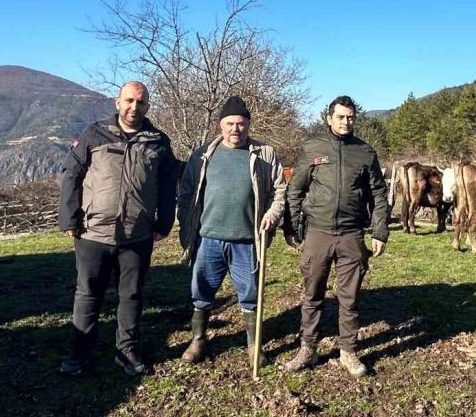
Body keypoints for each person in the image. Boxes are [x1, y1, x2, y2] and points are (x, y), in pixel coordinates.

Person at [57, 81, 179, 377]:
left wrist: (164, 223)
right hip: (93, 233)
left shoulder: (158, 142)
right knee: (88, 295)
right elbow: (71, 174)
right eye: (129, 101)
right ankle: (79, 354)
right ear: (117, 102)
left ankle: (126, 352)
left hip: (137, 235)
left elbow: (166, 186)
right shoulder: (94, 133)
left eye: (140, 102)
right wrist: (69, 219)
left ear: (148, 106)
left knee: (132, 296)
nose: (134, 107)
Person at [282, 95, 390, 377]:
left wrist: (380, 230)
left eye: (350, 117)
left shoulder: (365, 152)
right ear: (329, 118)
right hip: (318, 232)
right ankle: (308, 348)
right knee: (312, 294)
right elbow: (295, 190)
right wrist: (292, 226)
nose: (346, 121)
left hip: (352, 234)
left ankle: (349, 350)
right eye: (340, 116)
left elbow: (379, 193)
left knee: (349, 296)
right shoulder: (312, 148)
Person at [177, 96, 287, 365]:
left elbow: (279, 191)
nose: (235, 129)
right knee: (201, 291)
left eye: (240, 124)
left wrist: (272, 215)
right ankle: (198, 340)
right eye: (230, 124)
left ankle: (253, 344)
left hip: (247, 240)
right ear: (220, 125)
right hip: (208, 238)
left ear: (248, 125)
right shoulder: (203, 155)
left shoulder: (265, 154)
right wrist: (186, 219)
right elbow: (187, 190)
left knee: (250, 294)